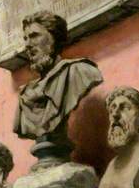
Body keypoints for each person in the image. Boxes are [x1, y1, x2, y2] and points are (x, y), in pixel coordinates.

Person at [13, 11, 103, 166]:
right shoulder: (25, 94)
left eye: (34, 36)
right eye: (26, 38)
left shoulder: (78, 72)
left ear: (54, 39)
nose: (28, 44)